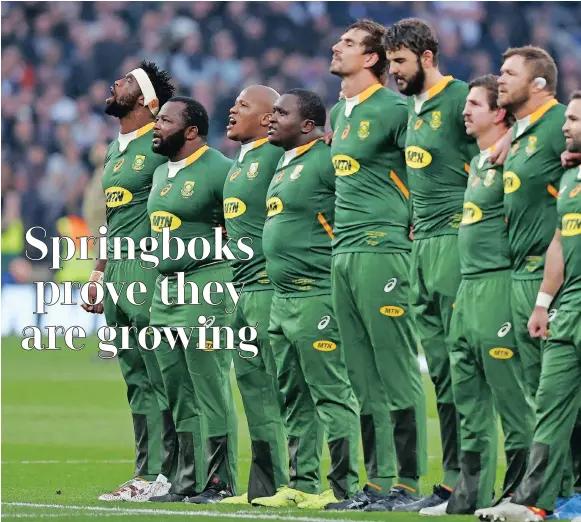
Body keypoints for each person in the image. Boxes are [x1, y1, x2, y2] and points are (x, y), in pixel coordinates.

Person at [324, 19, 428, 512]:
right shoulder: (338, 113)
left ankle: (409, 483)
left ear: (371, 58)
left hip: (382, 248)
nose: (335, 47)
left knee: (395, 367)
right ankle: (378, 481)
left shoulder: (395, 109)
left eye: (346, 43)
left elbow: (432, 165)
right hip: (341, 252)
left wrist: (418, 222)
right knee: (360, 374)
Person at [421, 74, 533, 516]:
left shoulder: (516, 161)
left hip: (499, 285)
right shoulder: (480, 163)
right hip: (465, 286)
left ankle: (523, 493)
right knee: (467, 397)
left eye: (474, 105)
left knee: (510, 395)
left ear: (499, 113)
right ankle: (468, 497)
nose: (464, 111)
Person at [384, 18, 479, 512]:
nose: (393, 71)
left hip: (457, 245)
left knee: (468, 369)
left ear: (426, 56)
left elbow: (495, 154)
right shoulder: (411, 110)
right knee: (442, 371)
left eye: (400, 61)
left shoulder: (464, 97)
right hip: (421, 249)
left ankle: (479, 480)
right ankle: (455, 478)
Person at [251, 89, 360, 510]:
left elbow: (365, 192)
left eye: (282, 112)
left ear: (310, 126)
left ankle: (346, 487)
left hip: (317, 295)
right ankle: (303, 483)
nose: (271, 118)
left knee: (331, 392)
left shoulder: (327, 157)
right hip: (282, 300)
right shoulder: (283, 164)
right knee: (293, 396)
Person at [475, 90, 581, 522]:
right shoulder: (572, 176)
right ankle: (536, 503)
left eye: (574, 120)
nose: (566, 126)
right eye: (568, 119)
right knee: (551, 406)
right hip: (568, 306)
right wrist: (542, 304)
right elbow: (559, 239)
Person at [82, 61, 178, 502]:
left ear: (144, 99)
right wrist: (99, 273)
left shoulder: (161, 142)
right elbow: (113, 218)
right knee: (136, 380)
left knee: (162, 377)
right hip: (118, 271)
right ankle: (147, 472)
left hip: (149, 269)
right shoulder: (114, 150)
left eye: (123, 81)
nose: (113, 84)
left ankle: (170, 473)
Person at [497, 46, 581, 499]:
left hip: (552, 276)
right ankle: (557, 494)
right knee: (543, 398)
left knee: (558, 399)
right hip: (526, 273)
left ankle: (563, 495)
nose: (500, 79)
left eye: (510, 73)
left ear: (540, 85)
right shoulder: (530, 130)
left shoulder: (555, 126)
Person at [146, 96, 238, 504]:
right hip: (165, 291)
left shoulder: (219, 168)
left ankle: (221, 482)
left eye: (165, 120)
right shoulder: (162, 173)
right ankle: (187, 479)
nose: (156, 125)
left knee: (210, 386)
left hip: (206, 287)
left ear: (192, 131)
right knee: (178, 391)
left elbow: (242, 229)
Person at [220, 85, 288, 505]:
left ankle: (300, 482)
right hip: (240, 290)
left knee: (283, 392)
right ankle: (264, 486)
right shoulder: (237, 163)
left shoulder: (278, 156)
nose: (232, 109)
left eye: (243, 106)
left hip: (269, 288)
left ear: (268, 119)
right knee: (255, 395)